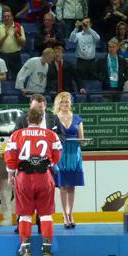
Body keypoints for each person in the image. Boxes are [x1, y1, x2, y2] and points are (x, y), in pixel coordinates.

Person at [5, 107, 63, 256]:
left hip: (24, 178)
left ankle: (25, 250)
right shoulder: (51, 135)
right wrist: (49, 163)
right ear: (41, 119)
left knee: (24, 215)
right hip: (44, 177)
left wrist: (10, 175)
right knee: (46, 214)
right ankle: (47, 249)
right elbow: (57, 155)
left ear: (27, 120)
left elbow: (10, 157)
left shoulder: (16, 135)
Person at [52, 92, 84, 229]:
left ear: (70, 103)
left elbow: (81, 139)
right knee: (63, 186)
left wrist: (84, 142)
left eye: (67, 102)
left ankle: (70, 214)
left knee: (72, 186)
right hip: (61, 154)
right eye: (62, 102)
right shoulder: (54, 119)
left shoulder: (77, 118)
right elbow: (51, 138)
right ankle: (65, 215)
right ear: (58, 104)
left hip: (74, 155)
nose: (65, 104)